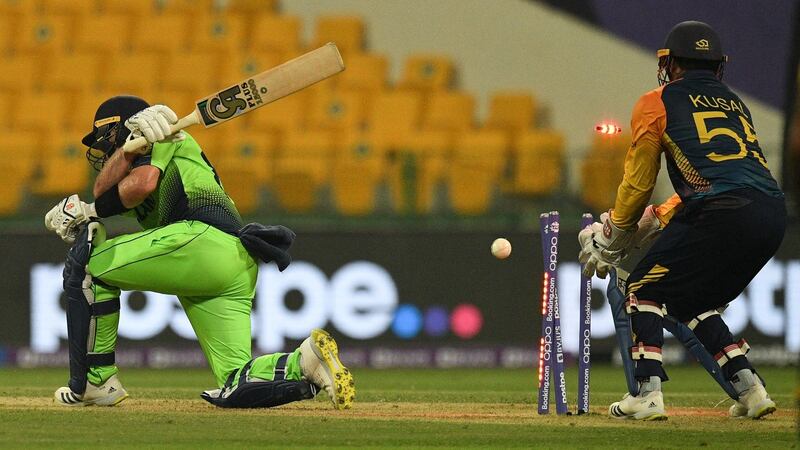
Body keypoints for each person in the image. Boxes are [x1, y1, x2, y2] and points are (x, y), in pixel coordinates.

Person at [44, 95, 355, 409]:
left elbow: (142, 184)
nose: (102, 147)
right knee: (236, 379)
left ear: (124, 126)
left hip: (201, 241)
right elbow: (105, 191)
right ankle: (306, 361)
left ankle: (94, 383)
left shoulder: (169, 135)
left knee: (87, 267)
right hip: (233, 264)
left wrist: (91, 208)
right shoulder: (138, 154)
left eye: (106, 138)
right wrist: (94, 198)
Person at [578, 21, 785, 420]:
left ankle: (647, 394)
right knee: (693, 300)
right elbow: (725, 175)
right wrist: (662, 215)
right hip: (771, 214)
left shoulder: (658, 101)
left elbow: (639, 184)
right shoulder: (735, 103)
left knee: (640, 288)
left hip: (720, 213)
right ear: (718, 67)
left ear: (670, 64)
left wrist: (613, 234)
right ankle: (751, 390)